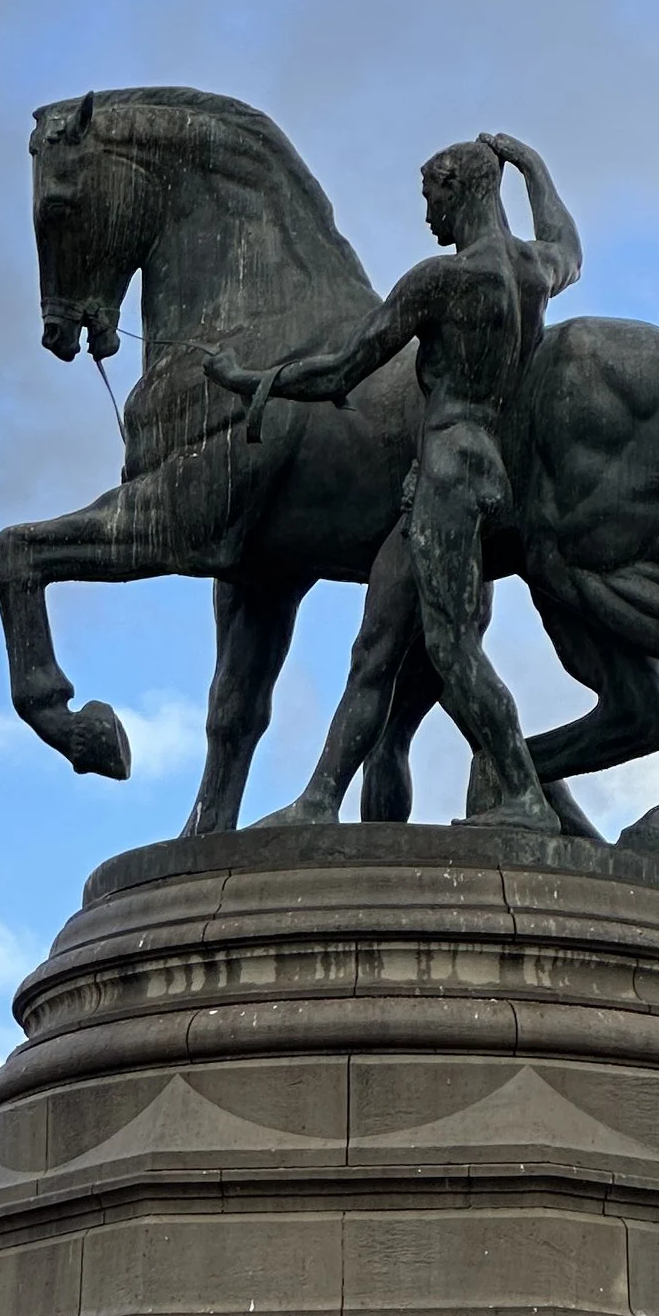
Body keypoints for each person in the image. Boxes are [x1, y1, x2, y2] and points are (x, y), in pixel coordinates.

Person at [207, 132, 582, 833]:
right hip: (475, 472)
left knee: (449, 650)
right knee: (379, 647)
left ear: (460, 189)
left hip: (444, 471)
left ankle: (525, 797)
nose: (428, 216)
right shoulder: (531, 269)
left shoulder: (441, 281)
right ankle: (319, 800)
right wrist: (532, 165)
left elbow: (344, 367)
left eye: (431, 196)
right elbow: (569, 244)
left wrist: (254, 381)